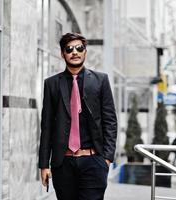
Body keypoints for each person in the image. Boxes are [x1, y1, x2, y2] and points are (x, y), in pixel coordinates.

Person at [38, 32, 117, 200]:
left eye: (79, 48)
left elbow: (110, 121)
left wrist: (107, 159)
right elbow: (46, 127)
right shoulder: (51, 84)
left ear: (85, 52)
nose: (74, 52)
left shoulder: (100, 80)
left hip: (93, 161)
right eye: (69, 49)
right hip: (63, 163)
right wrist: (44, 164)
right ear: (62, 54)